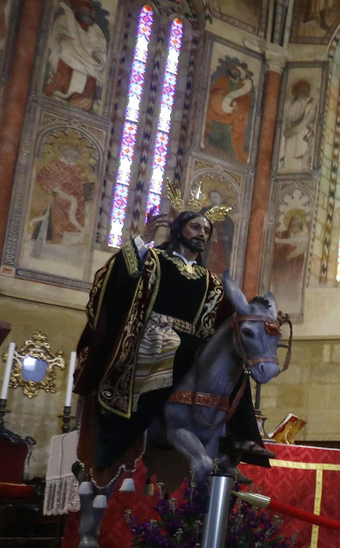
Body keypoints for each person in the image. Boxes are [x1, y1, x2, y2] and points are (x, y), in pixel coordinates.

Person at [74, 206, 270, 485]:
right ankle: (138, 425)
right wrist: (143, 240)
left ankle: (237, 439)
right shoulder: (154, 260)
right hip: (155, 338)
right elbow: (117, 278)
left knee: (234, 362)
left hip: (195, 345)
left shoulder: (211, 282)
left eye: (206, 230)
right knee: (173, 348)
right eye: (195, 227)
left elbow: (228, 319)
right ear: (178, 231)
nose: (202, 234)